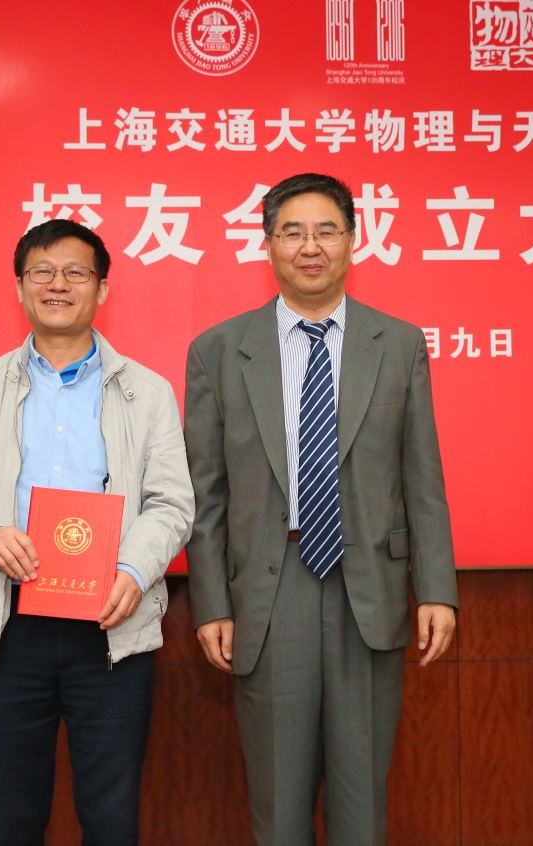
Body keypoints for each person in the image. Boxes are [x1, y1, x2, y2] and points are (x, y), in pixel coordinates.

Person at [184, 172, 458, 845]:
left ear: (352, 241)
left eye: (326, 230)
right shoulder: (219, 351)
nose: (310, 247)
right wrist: (213, 604)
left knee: (362, 806)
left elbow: (421, 475)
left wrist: (436, 590)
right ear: (268, 244)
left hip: (372, 593)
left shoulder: (397, 343)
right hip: (268, 594)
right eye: (292, 232)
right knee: (279, 807)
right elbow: (205, 493)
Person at [0, 218, 193, 846]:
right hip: (7, 627)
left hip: (112, 626)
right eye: (42, 271)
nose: (58, 284)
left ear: (103, 289)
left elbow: (172, 504)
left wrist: (133, 570)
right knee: (12, 820)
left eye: (76, 272)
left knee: (112, 820)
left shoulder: (148, 392)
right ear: (19, 287)